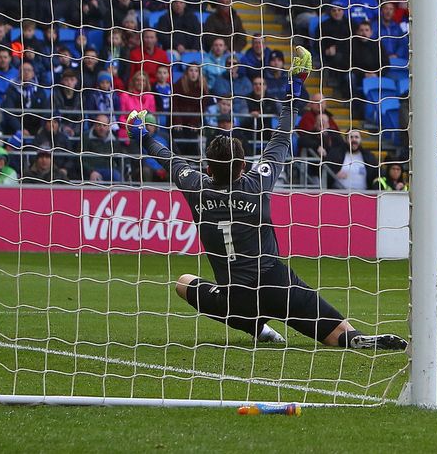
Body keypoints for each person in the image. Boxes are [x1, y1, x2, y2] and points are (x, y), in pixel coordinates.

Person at [126, 47, 406, 350]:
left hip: (235, 299)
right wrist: (296, 84)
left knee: (183, 282)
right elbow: (283, 135)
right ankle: (353, 337)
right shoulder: (257, 182)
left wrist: (142, 137)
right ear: (243, 165)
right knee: (335, 332)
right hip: (277, 285)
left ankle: (257, 328)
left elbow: (170, 160)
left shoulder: (196, 186)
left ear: (207, 167)